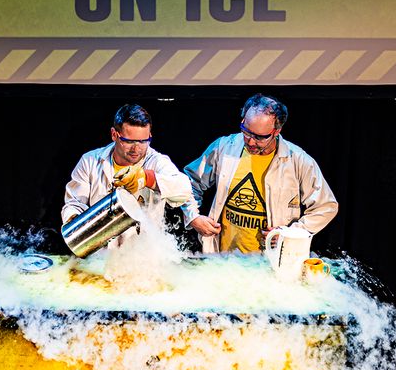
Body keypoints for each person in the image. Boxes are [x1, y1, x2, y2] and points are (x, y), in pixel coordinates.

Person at [184, 93, 338, 253]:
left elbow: (326, 206)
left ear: (277, 131)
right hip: (224, 259)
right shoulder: (224, 147)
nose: (250, 141)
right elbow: (189, 182)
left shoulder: (298, 160)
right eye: (246, 132)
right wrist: (193, 217)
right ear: (243, 120)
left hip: (270, 261)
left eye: (259, 137)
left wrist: (292, 234)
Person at [62, 104, 196, 249]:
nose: (136, 148)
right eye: (129, 141)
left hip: (141, 255)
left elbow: (184, 189)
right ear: (114, 134)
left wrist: (147, 178)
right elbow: (74, 203)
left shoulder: (156, 161)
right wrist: (74, 220)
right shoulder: (90, 161)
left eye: (143, 141)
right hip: (99, 253)